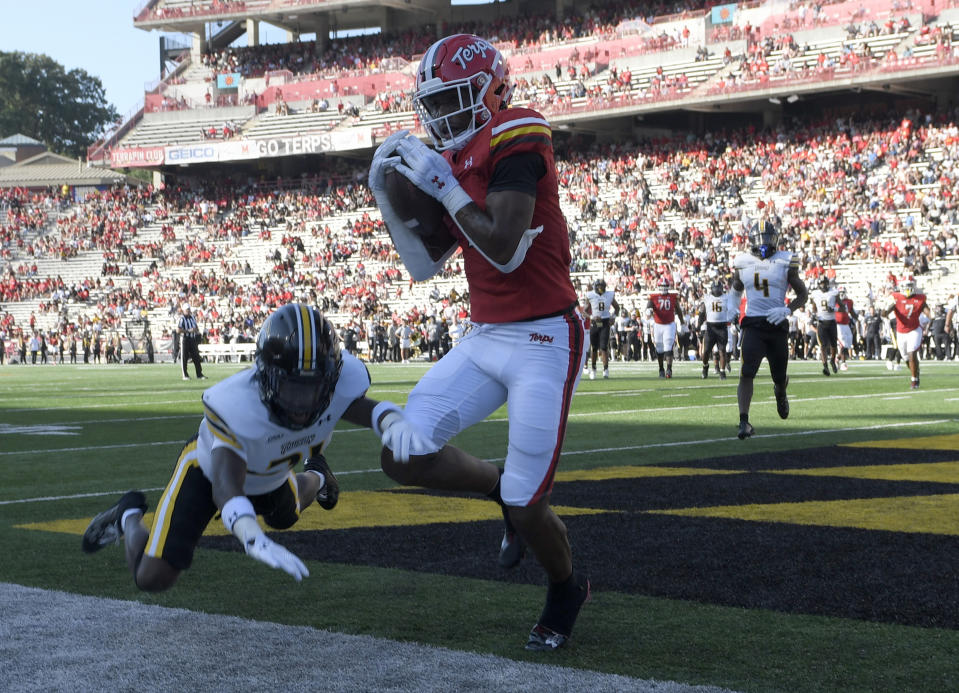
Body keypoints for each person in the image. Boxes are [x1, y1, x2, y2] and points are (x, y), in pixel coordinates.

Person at [367, 34, 590, 652]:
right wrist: (399, 195)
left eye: (455, 99)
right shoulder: (457, 159)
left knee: (529, 504)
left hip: (546, 335)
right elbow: (425, 263)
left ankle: (567, 586)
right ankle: (495, 488)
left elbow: (502, 244)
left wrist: (442, 187)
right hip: (487, 333)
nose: (442, 116)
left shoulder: (519, 129)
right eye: (433, 104)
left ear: (492, 90)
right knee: (402, 453)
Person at [81, 303, 428, 591]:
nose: (302, 404)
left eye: (313, 389)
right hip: (207, 473)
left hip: (274, 472)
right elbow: (226, 486)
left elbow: (360, 407)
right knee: (152, 578)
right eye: (291, 388)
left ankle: (319, 476)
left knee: (285, 517)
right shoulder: (236, 408)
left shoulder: (338, 384)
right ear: (264, 376)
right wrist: (249, 535)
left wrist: (390, 420)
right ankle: (128, 514)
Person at [729, 218, 808, 439]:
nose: (764, 243)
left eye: (767, 238)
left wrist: (787, 310)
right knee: (746, 373)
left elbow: (803, 294)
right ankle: (744, 422)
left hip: (776, 325)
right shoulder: (742, 261)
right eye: (760, 239)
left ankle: (780, 393)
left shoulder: (785, 260)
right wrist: (731, 308)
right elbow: (736, 289)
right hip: (753, 323)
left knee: (779, 377)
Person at [883, 278, 930, 389]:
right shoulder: (896, 297)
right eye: (906, 285)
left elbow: (928, 312)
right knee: (906, 357)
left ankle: (914, 380)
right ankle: (916, 373)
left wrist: (931, 319)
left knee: (911, 353)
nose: (908, 288)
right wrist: (887, 307)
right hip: (901, 331)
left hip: (914, 329)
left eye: (910, 285)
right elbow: (884, 313)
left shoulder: (919, 298)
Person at [647, 275, 683, 378]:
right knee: (659, 348)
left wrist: (682, 322)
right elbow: (648, 307)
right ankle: (661, 369)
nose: (663, 288)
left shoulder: (673, 297)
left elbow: (678, 310)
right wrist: (648, 310)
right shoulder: (653, 297)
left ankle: (669, 369)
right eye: (661, 286)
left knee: (668, 347)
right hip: (658, 325)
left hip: (669, 325)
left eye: (665, 286)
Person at [583, 278, 620, 379]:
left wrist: (613, 317)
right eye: (599, 287)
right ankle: (594, 369)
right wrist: (591, 317)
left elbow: (617, 308)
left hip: (605, 322)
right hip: (594, 323)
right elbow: (584, 311)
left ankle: (605, 369)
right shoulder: (590, 295)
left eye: (602, 287)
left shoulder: (609, 295)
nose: (600, 289)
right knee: (594, 347)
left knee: (603, 347)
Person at [698, 280, 732, 380]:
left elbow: (732, 310)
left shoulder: (726, 298)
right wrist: (699, 325)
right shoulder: (707, 298)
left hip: (722, 327)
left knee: (722, 351)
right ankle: (705, 366)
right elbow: (702, 312)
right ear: (712, 289)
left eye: (718, 289)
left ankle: (722, 372)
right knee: (706, 352)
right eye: (715, 289)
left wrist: (735, 321)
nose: (717, 291)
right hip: (710, 328)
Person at [809, 276, 840, 376]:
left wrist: (834, 309)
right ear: (819, 284)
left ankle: (832, 360)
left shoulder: (834, 292)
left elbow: (843, 307)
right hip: (821, 323)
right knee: (822, 346)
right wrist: (814, 315)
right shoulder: (815, 294)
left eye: (825, 283)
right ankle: (825, 366)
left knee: (834, 345)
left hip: (831, 322)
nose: (823, 285)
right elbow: (814, 308)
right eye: (821, 283)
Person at [178, 304, 206, 380]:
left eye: (189, 309)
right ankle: (185, 375)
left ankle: (199, 374)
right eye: (187, 310)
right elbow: (178, 330)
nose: (188, 311)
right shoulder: (182, 319)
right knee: (185, 357)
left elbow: (196, 327)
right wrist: (188, 330)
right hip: (185, 339)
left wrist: (195, 330)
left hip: (192, 339)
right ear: (183, 310)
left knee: (196, 357)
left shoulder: (192, 317)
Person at [834, 287, 858, 370]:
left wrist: (857, 318)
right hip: (838, 325)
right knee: (843, 344)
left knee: (848, 344)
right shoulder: (834, 301)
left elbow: (852, 312)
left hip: (846, 325)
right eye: (840, 292)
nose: (841, 294)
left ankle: (837, 359)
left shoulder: (849, 302)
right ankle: (843, 363)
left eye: (843, 292)